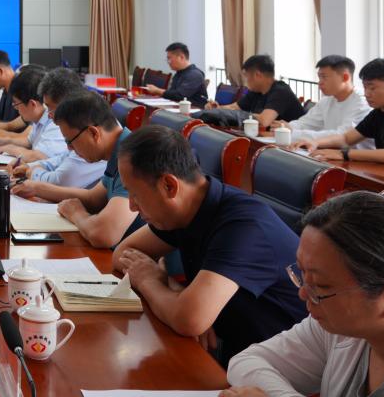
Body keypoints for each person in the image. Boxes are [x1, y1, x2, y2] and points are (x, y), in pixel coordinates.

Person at [112, 125, 306, 364]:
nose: (132, 206)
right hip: (234, 351)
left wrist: (149, 280)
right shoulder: (185, 207)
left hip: (282, 367)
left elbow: (188, 320)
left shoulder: (243, 227)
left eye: (135, 194)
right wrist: (177, 294)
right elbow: (123, 254)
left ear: (169, 186)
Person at [223, 191, 384, 397]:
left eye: (321, 285)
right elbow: (247, 362)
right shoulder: (334, 327)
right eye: (301, 272)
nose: (303, 293)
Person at [13, 91, 139, 248]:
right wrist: (37, 188)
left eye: (70, 141)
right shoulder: (118, 149)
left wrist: (76, 213)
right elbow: (93, 199)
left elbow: (103, 234)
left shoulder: (133, 158)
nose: (69, 149)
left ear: (93, 133)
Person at [294, 58, 384, 166]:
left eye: (372, 88)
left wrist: (344, 154)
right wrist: (316, 142)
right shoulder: (378, 112)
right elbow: (346, 138)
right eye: (365, 87)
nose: (367, 94)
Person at [9, 68, 106, 190]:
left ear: (67, 104)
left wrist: (33, 172)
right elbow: (64, 157)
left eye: (50, 108)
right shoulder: (79, 120)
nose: (48, 115)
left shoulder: (85, 128)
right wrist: (31, 166)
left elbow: (63, 180)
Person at [272, 55, 371, 146]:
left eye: (324, 77)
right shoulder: (327, 100)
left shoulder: (362, 102)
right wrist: (286, 127)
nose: (320, 83)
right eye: (319, 77)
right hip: (330, 152)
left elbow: (342, 135)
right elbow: (306, 123)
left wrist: (292, 132)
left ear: (345, 77)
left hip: (356, 157)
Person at [203, 54, 306, 127]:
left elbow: (264, 121)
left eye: (246, 76)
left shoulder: (281, 91)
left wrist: (237, 114)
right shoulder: (256, 91)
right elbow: (234, 107)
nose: (245, 81)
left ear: (257, 75)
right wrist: (217, 108)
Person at [0, 68, 66, 162]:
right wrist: (4, 141)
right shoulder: (39, 117)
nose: (16, 109)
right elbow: (29, 142)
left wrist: (10, 148)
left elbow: (39, 157)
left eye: (16, 104)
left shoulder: (55, 121)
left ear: (32, 104)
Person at [143, 42, 208, 107]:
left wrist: (158, 91)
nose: (168, 62)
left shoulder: (194, 75)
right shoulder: (179, 73)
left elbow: (180, 96)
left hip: (193, 110)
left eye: (169, 58)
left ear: (181, 57)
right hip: (177, 108)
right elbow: (172, 94)